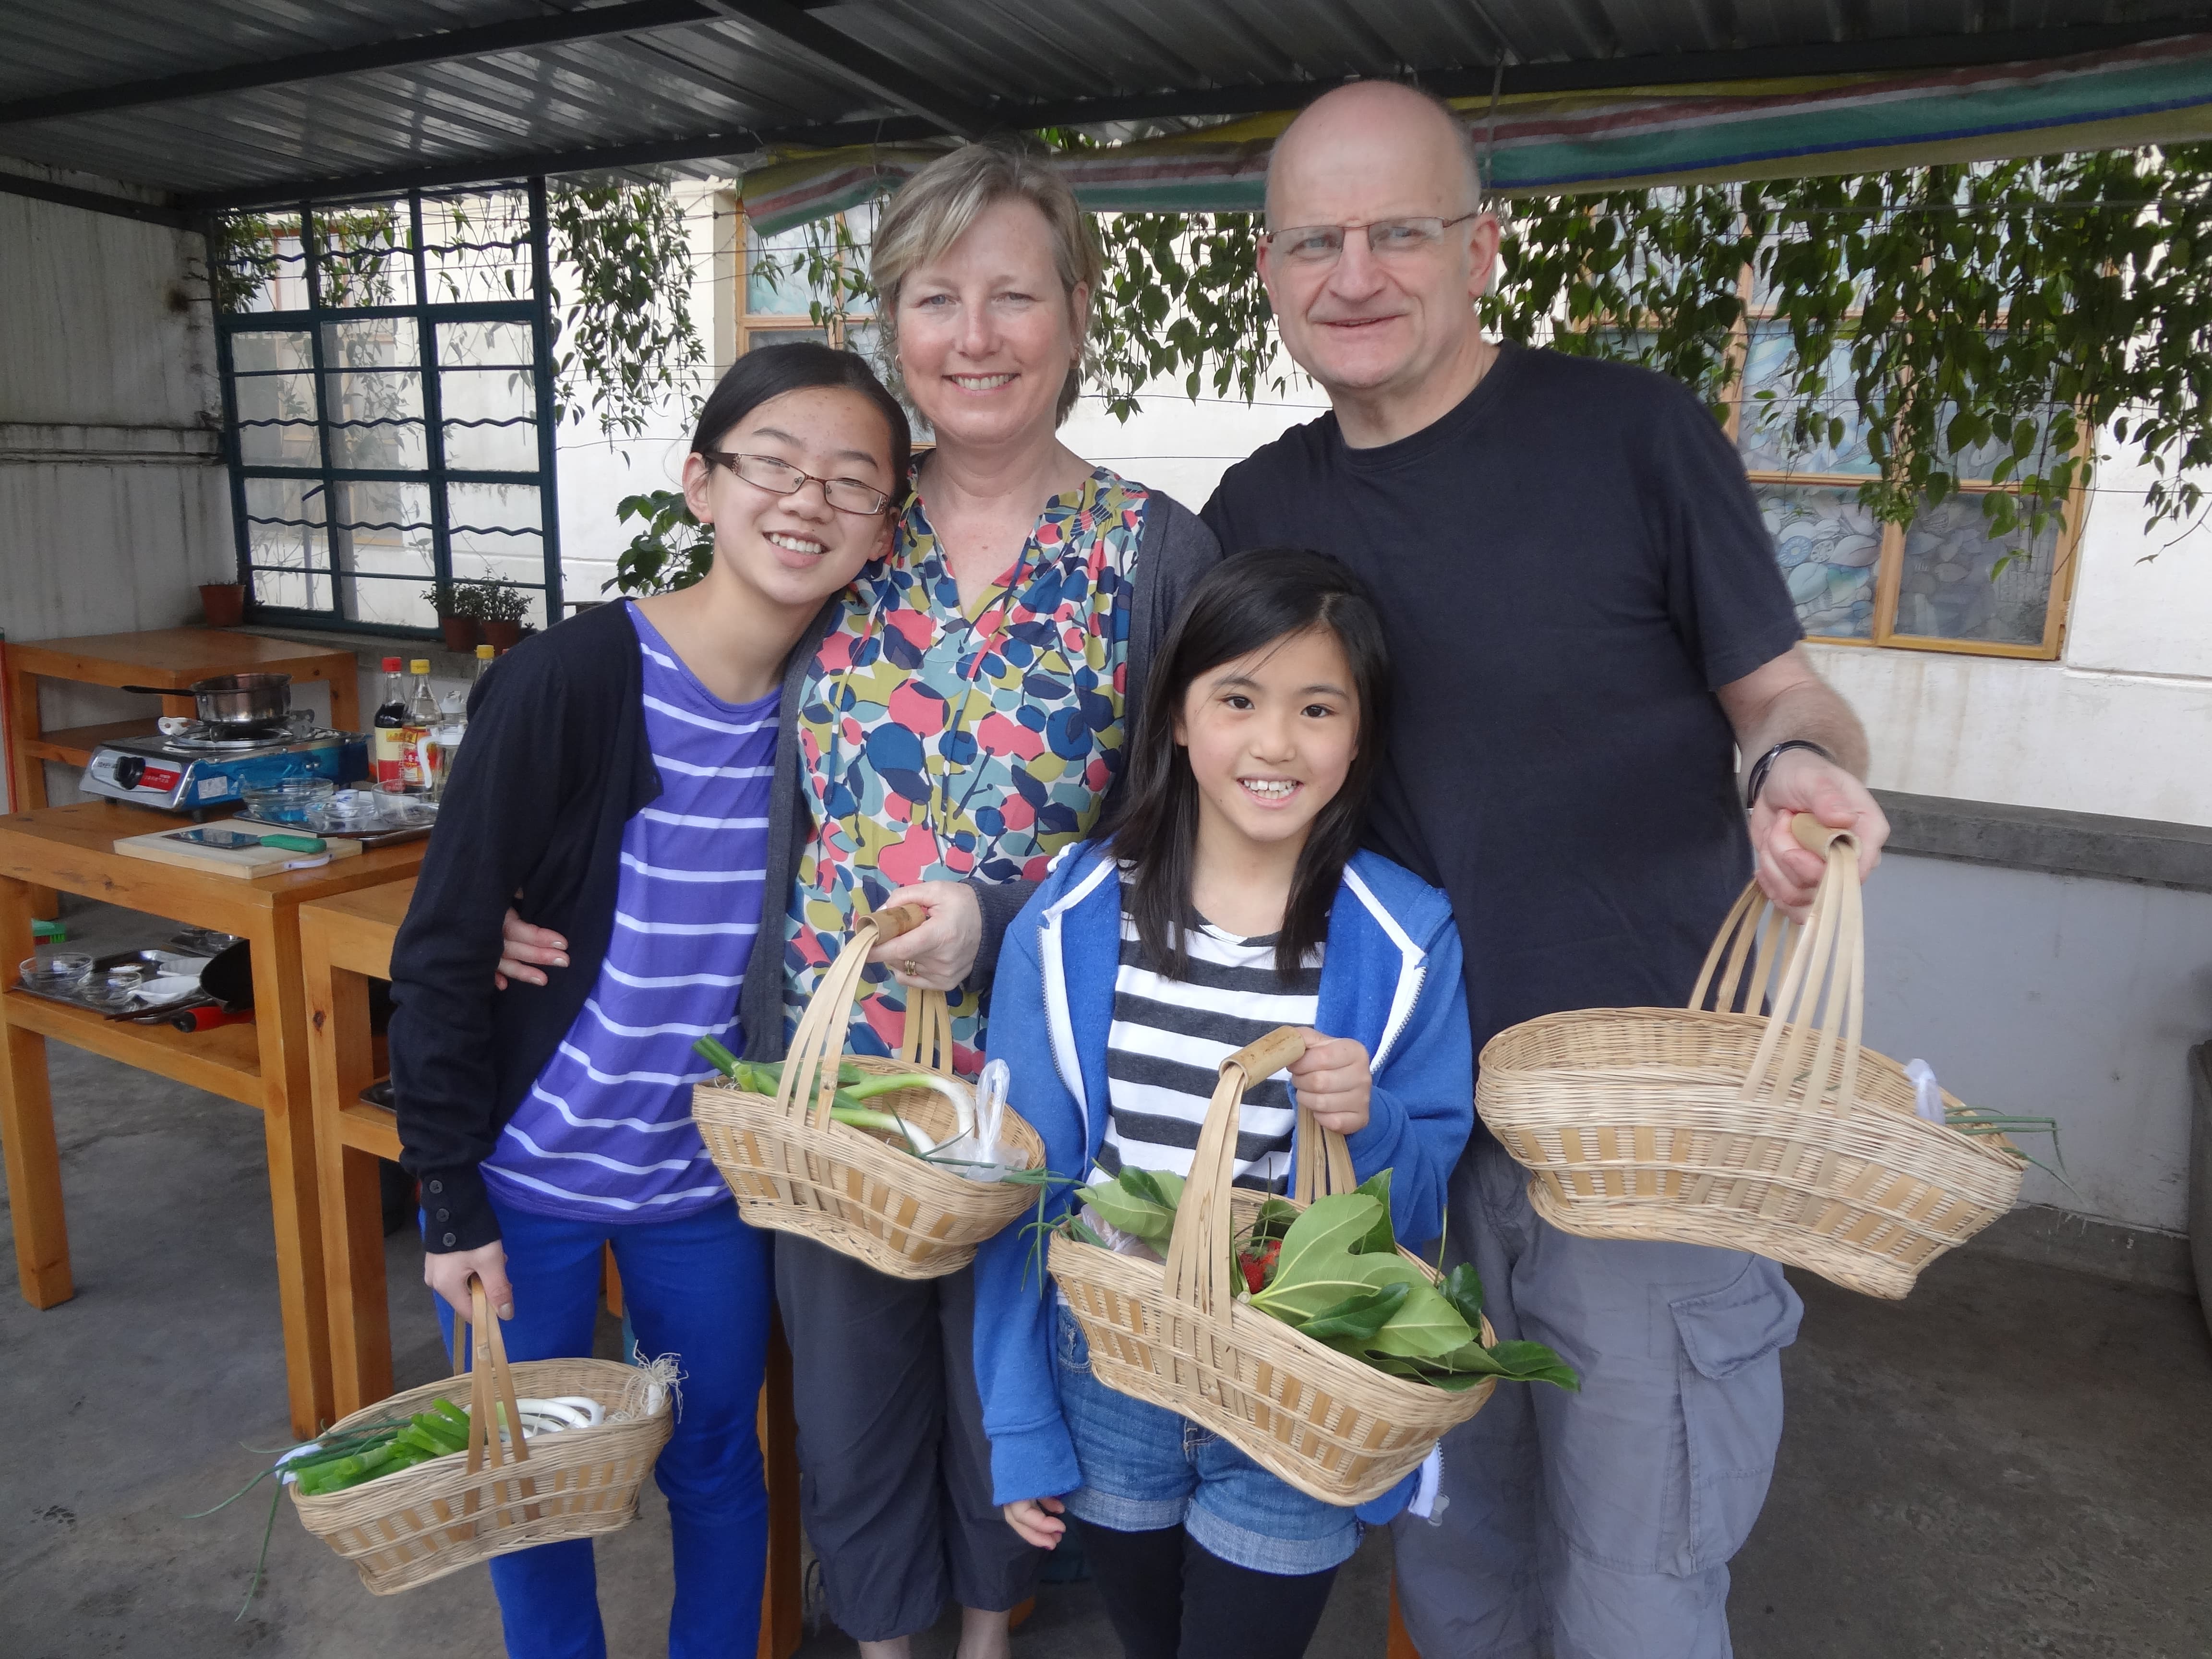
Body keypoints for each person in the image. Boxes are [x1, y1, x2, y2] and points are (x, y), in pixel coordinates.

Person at [497, 138, 1221, 1659]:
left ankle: (985, 1639)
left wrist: (1008, 906)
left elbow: (1190, 822)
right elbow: (696, 725)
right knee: (848, 1402)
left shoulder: (1152, 555)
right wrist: (525, 889)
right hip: (828, 1079)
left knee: (1005, 1389)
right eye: (936, 297)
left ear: (1079, 314)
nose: (974, 335)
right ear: (896, 321)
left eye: (1014, 295)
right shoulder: (845, 534)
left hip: (1039, 1087)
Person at [1200, 82, 1895, 1659]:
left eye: (1400, 231)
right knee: (1454, 1575)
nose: (1355, 273)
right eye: (1314, 240)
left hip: (1634, 1142)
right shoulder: (1260, 507)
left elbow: (1780, 691)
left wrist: (1794, 764)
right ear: (1269, 269)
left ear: (1481, 246)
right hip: (1391, 1140)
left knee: (1635, 1589)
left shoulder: (1632, 433)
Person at [387, 342, 910, 1659]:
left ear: (885, 530)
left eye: (851, 483)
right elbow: (447, 947)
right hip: (526, 1184)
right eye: (772, 465)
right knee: (532, 1485)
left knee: (719, 1462)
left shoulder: (840, 703)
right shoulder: (567, 680)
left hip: (708, 1192)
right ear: (699, 485)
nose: (806, 502)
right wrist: (446, 1197)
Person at [973, 548, 1476, 1659]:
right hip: (1108, 1366)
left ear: (1360, 735)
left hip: (1296, 1388)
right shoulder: (1071, 919)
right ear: (1182, 719)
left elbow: (1429, 1191)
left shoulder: (1404, 938)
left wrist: (1376, 1121)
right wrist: (1018, 1419)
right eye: (1238, 699)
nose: (1277, 743)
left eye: (1318, 707)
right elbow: (1024, 1184)